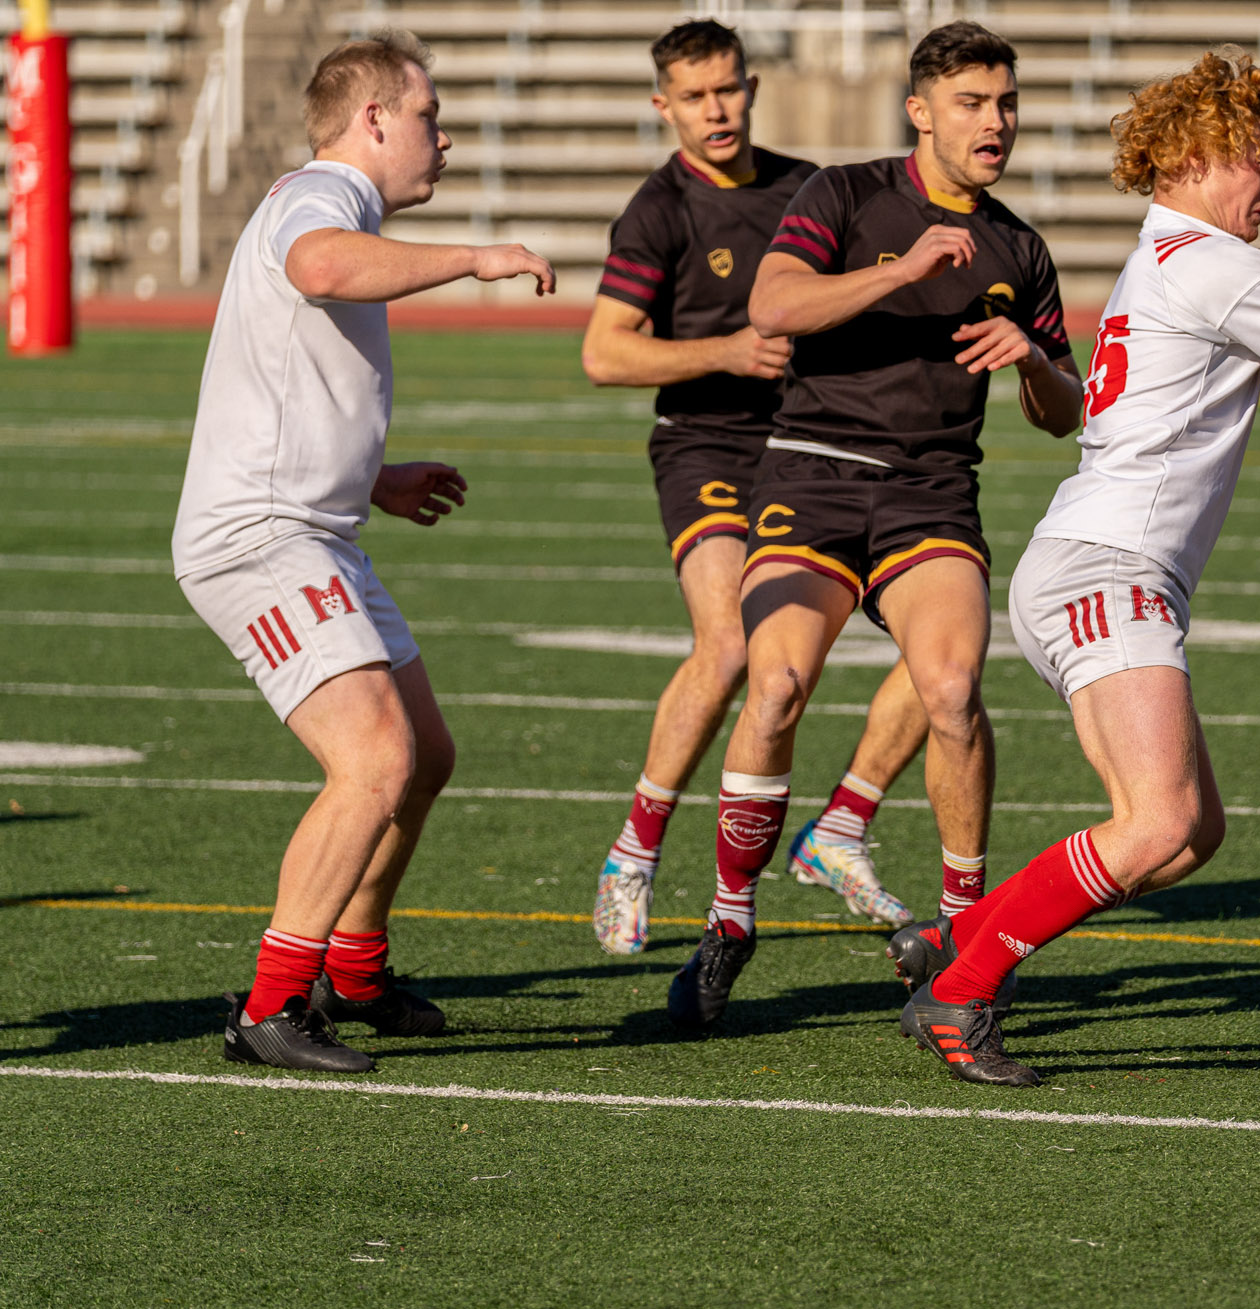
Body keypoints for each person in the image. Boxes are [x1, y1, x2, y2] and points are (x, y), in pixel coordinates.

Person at [894, 49, 1260, 1086]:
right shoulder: (1206, 261)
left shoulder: (1180, 257)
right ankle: (963, 987)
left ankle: (959, 942)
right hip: (1104, 565)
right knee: (1157, 818)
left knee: (1186, 833)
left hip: (1101, 564)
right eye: (1259, 165)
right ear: (1201, 154)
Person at [662, 20, 1084, 1030]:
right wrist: (896, 271)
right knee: (773, 687)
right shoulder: (844, 194)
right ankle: (727, 923)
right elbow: (773, 306)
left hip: (929, 494)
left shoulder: (1017, 245)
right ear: (922, 112)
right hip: (810, 480)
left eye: (1007, 103)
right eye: (974, 104)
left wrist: (1030, 357)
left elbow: (1067, 409)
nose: (996, 124)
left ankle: (963, 931)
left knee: (948, 689)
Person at [171, 31, 554, 1071]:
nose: (445, 137)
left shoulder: (340, 201)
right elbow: (321, 267)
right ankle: (270, 1004)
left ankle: (354, 961)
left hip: (315, 525)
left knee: (424, 755)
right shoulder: (321, 197)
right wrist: (478, 256)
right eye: (428, 116)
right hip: (259, 536)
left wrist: (370, 478)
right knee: (373, 758)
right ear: (374, 120)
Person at [582, 20, 930, 953]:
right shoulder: (660, 208)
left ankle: (842, 826)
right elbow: (604, 352)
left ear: (751, 85)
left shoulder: (807, 188)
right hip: (707, 446)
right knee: (730, 644)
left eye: (728, 88)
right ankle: (634, 854)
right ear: (665, 106)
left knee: (947, 655)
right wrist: (728, 351)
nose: (717, 110)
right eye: (695, 97)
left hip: (820, 446)